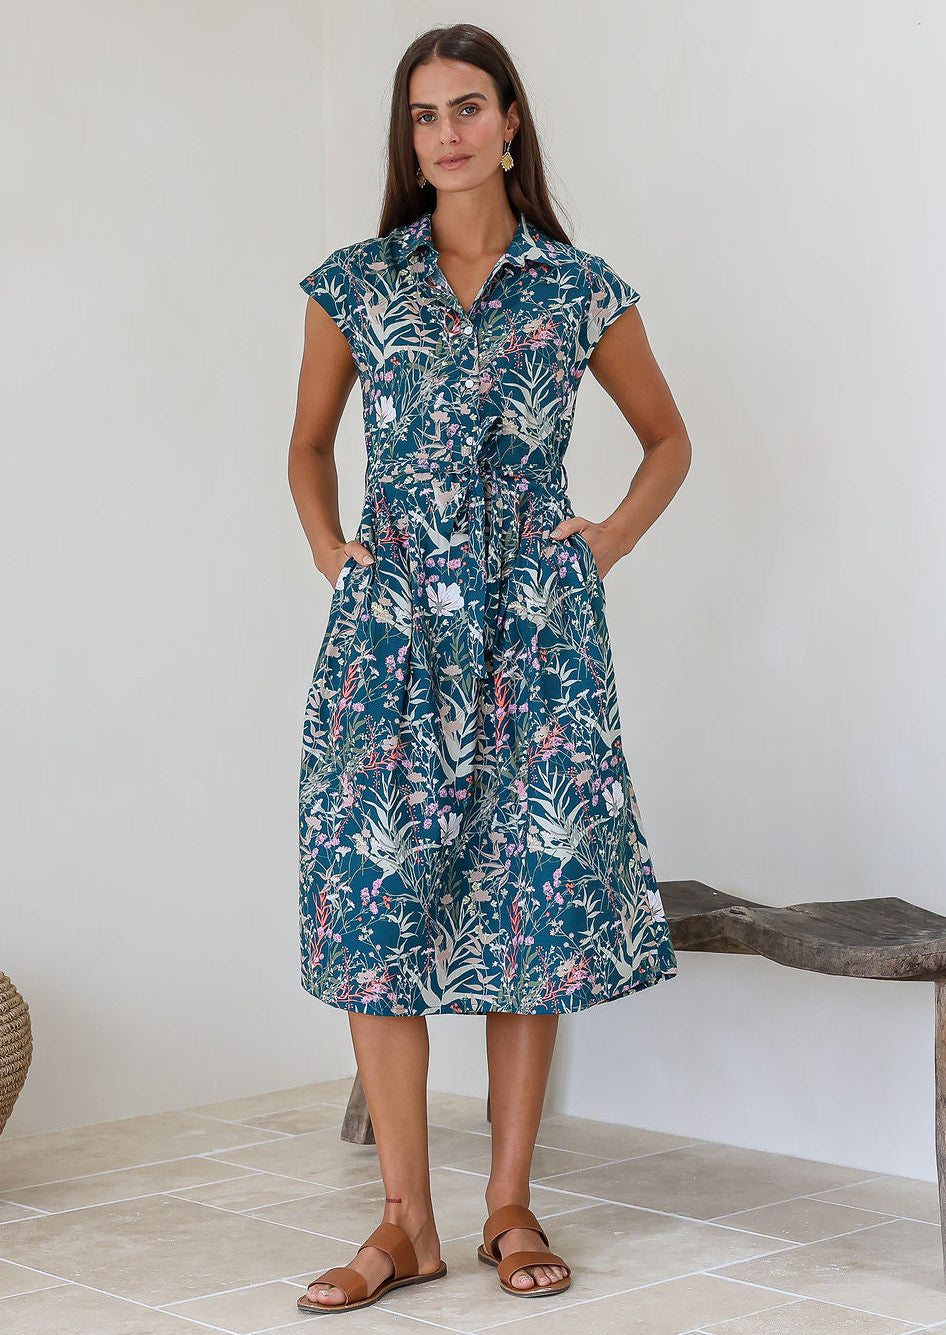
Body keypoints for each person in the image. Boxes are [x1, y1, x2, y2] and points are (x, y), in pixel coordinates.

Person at [287, 21, 691, 1316]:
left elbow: (666, 439)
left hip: (535, 629)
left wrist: (603, 545)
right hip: (390, 634)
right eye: (423, 115)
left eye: (469, 107)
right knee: (373, 902)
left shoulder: (577, 289)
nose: (446, 132)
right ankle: (402, 1223)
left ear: (511, 123)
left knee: (527, 897)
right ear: (408, 139)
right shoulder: (356, 282)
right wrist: (333, 555)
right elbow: (304, 448)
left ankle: (507, 1200)